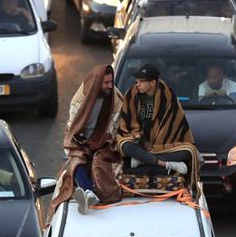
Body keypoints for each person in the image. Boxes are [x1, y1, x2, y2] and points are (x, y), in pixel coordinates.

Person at [50, 64, 123, 215]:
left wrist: (101, 142)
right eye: (106, 83)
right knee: (75, 161)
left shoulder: (116, 98)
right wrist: (83, 143)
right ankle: (88, 192)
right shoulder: (80, 98)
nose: (110, 86)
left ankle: (95, 192)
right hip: (81, 142)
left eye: (111, 82)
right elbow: (73, 127)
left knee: (99, 162)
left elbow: (114, 127)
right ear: (97, 83)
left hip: (105, 143)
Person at [116, 63, 202, 187]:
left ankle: (142, 159)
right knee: (126, 146)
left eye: (142, 81)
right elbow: (128, 124)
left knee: (188, 151)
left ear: (152, 83)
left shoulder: (167, 96)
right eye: (137, 81)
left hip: (162, 145)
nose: (137, 84)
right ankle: (165, 164)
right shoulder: (131, 94)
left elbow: (172, 124)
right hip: (138, 142)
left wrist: (149, 149)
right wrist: (143, 140)